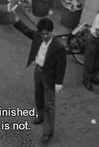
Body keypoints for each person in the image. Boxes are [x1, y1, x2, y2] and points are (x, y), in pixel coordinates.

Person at [13, 14, 66, 143]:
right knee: (39, 95)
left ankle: (48, 132)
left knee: (50, 105)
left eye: (47, 34)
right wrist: (17, 21)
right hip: (38, 71)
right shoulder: (37, 36)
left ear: (51, 32)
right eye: (42, 34)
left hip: (50, 77)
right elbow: (27, 31)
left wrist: (59, 83)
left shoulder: (58, 47)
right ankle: (40, 114)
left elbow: (61, 66)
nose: (45, 37)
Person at [83, 10, 99, 91]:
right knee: (89, 62)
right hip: (94, 40)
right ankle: (86, 80)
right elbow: (98, 33)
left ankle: (92, 77)